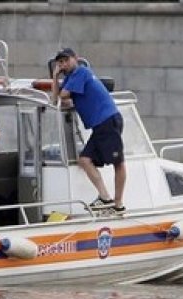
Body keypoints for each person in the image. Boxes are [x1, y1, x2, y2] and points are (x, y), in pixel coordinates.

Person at [52, 47, 126, 213]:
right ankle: (105, 198)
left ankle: (118, 203)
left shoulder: (81, 72)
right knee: (84, 159)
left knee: (118, 162)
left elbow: (62, 95)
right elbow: (55, 99)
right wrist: (55, 76)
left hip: (107, 121)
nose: (63, 64)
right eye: (60, 62)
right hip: (100, 125)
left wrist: (57, 78)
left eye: (66, 60)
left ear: (75, 59)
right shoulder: (71, 79)